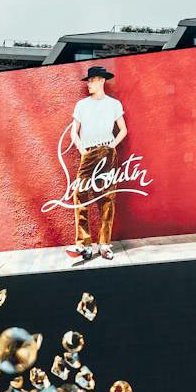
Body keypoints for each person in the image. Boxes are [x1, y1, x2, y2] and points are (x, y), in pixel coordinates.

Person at [66, 65, 127, 262]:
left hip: (107, 153)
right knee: (80, 195)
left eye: (92, 80)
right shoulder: (81, 105)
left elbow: (123, 130)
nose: (89, 84)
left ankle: (104, 244)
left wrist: (112, 146)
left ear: (101, 80)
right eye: (88, 81)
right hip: (88, 153)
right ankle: (84, 245)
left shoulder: (114, 104)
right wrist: (82, 150)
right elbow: (74, 132)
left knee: (107, 197)